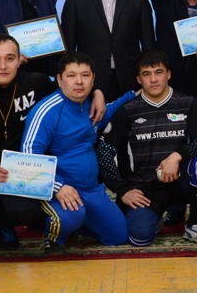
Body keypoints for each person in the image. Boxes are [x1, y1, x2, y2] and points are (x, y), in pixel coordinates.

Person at [0, 34, 107, 267]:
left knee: (27, 214)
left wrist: (98, 93)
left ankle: (3, 219)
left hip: (19, 171)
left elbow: (72, 85)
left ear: (19, 60)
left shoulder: (35, 82)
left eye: (9, 58)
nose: (3, 66)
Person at [96, 49, 197, 247]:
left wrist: (177, 156)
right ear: (139, 79)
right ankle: (154, 216)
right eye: (146, 74)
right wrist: (122, 190)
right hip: (145, 189)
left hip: (181, 183)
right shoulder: (128, 110)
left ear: (168, 74)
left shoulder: (187, 103)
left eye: (158, 72)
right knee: (140, 237)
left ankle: (193, 224)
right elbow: (103, 151)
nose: (153, 79)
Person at [22, 52, 135, 253]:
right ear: (59, 80)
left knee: (118, 236)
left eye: (85, 75)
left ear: (93, 79)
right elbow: (28, 157)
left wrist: (137, 93)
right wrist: (58, 187)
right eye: (71, 76)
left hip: (90, 189)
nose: (79, 82)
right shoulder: (47, 110)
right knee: (71, 217)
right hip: (58, 188)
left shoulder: (93, 107)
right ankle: (53, 234)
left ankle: (76, 222)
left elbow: (114, 108)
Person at [61, 0, 155, 102]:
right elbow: (68, 46)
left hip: (130, 81)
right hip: (88, 83)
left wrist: (147, 78)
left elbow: (148, 43)